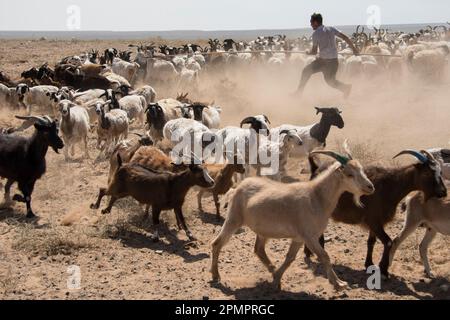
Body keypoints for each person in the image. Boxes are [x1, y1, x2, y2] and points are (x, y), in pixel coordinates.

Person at [295, 13, 359, 98]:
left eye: (311, 22)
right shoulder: (331, 29)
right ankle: (346, 88)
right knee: (330, 81)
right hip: (333, 61)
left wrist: (307, 52)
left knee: (306, 71)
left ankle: (298, 93)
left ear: (316, 22)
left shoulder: (316, 34)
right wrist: (354, 49)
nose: (310, 24)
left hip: (323, 62)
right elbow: (345, 38)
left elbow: (314, 52)